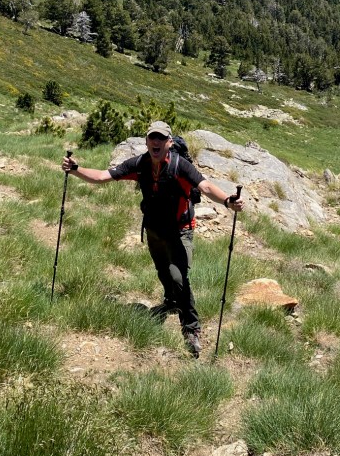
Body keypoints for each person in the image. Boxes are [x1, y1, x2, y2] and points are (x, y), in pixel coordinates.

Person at [62, 121, 244, 358]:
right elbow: (102, 176)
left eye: (161, 138)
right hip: (154, 229)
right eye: (152, 138)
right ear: (147, 141)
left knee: (180, 278)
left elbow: (205, 186)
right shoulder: (140, 164)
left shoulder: (181, 166)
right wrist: (76, 169)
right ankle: (170, 300)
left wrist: (228, 202)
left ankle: (191, 328)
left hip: (180, 230)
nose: (156, 142)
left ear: (169, 142)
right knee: (162, 271)